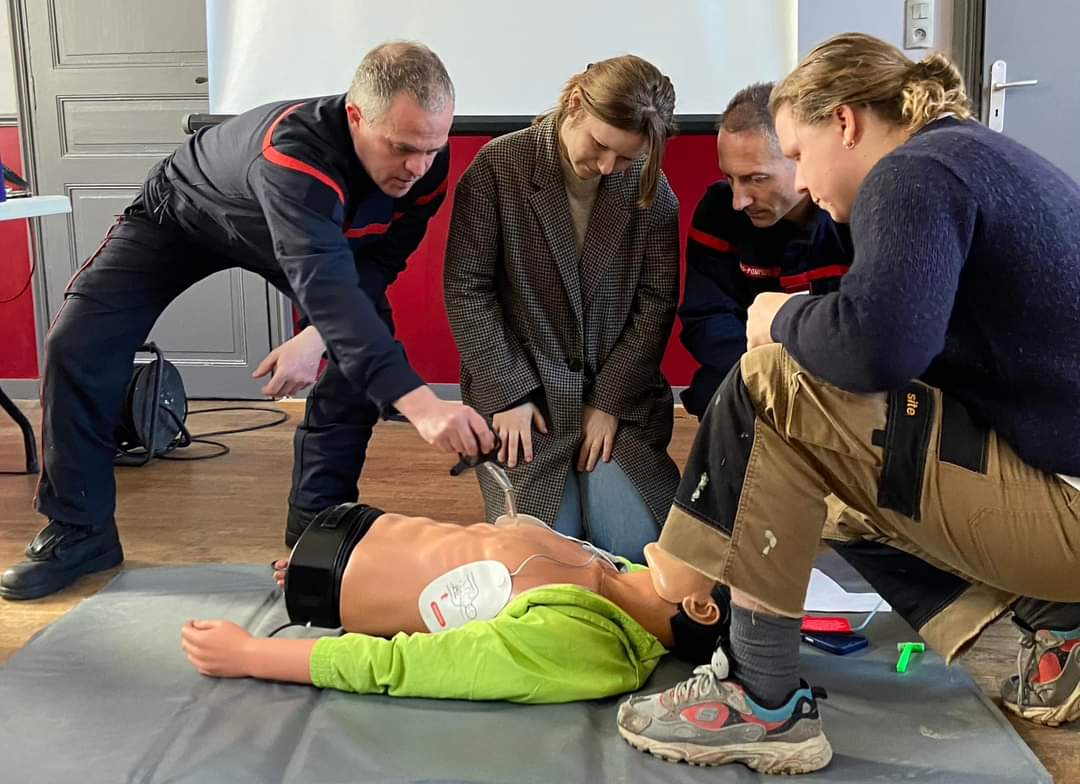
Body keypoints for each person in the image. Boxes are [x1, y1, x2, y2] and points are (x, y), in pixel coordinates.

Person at [616, 34, 1080, 775]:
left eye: (797, 154)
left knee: (772, 381)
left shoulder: (915, 173)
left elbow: (876, 352)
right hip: (1061, 489)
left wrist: (778, 317)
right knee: (818, 474)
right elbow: (909, 353)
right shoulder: (967, 156)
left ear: (846, 123)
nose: (800, 182)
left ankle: (756, 699)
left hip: (1069, 514)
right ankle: (1048, 622)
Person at [0, 42, 495, 602]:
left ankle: (315, 528)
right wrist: (422, 404)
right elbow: (328, 285)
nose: (419, 167)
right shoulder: (296, 156)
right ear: (355, 116)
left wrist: (316, 336)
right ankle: (80, 528)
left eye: (432, 148)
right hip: (186, 216)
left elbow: (377, 264)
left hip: (310, 249)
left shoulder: (424, 163)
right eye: (403, 148)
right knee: (78, 341)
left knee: (354, 362)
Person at [443, 56, 681, 565]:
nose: (608, 167)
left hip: (619, 403)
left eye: (626, 155)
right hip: (524, 406)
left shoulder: (650, 188)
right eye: (600, 146)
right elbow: (467, 288)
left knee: (637, 553)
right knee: (544, 561)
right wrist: (508, 393)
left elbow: (656, 304)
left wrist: (611, 401)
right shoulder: (497, 168)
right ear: (574, 104)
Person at [180, 503, 736, 704]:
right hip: (355, 532)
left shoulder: (588, 645)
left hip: (338, 585)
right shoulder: (626, 576)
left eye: (715, 561)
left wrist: (251, 656)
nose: (704, 540)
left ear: (701, 607)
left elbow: (409, 666)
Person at [679, 82, 852, 418]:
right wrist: (776, 377)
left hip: (842, 390)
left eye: (756, 179)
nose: (738, 200)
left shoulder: (854, 215)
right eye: (730, 178)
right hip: (752, 380)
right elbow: (705, 321)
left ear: (800, 158)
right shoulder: (718, 212)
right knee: (711, 392)